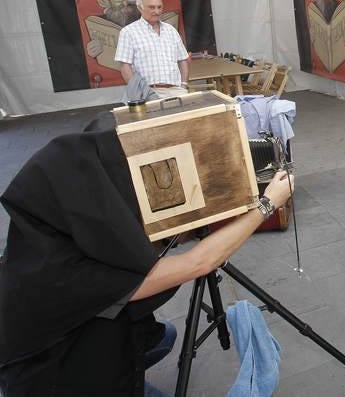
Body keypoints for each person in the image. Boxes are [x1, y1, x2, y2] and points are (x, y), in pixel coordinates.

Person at [0, 122, 294, 395]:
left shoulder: (50, 231)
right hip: (48, 379)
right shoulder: (65, 275)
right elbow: (197, 264)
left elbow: (134, 238)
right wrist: (267, 205)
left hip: (55, 336)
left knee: (162, 336)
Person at [115, 0, 190, 98]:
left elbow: (182, 59)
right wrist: (139, 92)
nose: (157, 11)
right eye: (152, 7)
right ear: (140, 8)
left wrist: (184, 85)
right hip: (147, 93)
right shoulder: (128, 32)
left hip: (177, 91)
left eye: (159, 7)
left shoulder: (171, 30)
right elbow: (125, 66)